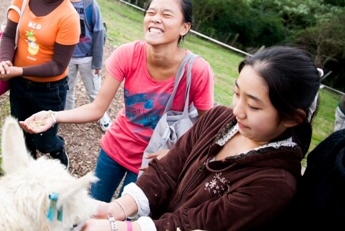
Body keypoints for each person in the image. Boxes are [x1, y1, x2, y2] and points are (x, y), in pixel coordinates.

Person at [82, 45, 321, 231]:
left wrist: (116, 226)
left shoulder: (275, 183)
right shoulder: (218, 118)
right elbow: (167, 170)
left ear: (292, 118)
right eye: (237, 93)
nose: (238, 109)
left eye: (254, 106)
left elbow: (196, 225)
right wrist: (116, 209)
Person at [21, 0, 215, 202]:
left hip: (153, 162)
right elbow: (97, 109)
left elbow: (208, 128)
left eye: (166, 15)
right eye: (151, 13)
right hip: (114, 149)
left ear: (184, 27)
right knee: (93, 207)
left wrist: (173, 155)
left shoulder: (197, 70)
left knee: (122, 219)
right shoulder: (128, 54)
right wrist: (53, 116)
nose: (155, 19)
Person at [0, 0, 80, 168]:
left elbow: (58, 65)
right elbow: (9, 35)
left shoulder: (69, 17)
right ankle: (27, 174)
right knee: (21, 133)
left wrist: (18, 70)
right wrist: (5, 61)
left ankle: (58, 151)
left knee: (44, 140)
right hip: (19, 85)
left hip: (49, 91)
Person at [65, 0, 112, 132]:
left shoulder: (90, 4)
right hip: (68, 57)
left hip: (87, 57)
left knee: (94, 91)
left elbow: (99, 32)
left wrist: (97, 62)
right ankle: (67, 115)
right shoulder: (62, 2)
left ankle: (104, 119)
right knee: (67, 89)